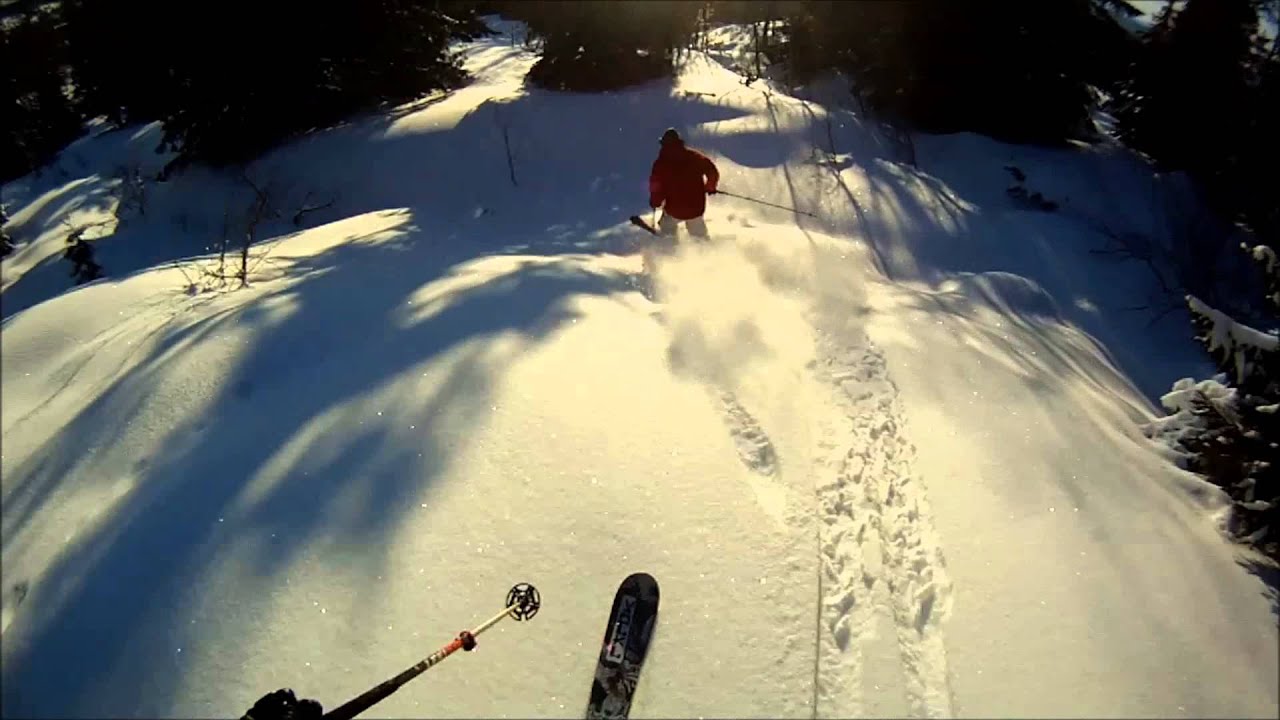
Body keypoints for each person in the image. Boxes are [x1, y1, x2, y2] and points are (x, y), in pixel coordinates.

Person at [648, 128, 719, 239]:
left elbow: (656, 187)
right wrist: (710, 186)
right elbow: (711, 170)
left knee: (667, 226)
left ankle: (670, 247)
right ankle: (704, 250)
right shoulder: (694, 157)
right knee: (698, 234)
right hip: (695, 207)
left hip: (674, 209)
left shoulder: (660, 164)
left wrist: (655, 201)